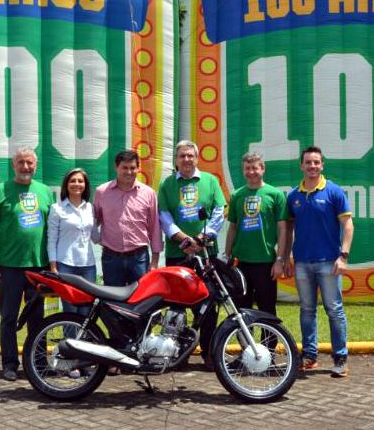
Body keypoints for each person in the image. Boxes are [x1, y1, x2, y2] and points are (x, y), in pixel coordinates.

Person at [0, 147, 55, 382]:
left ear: (36, 165)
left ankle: (38, 363)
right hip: (10, 267)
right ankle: (9, 364)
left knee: (37, 319)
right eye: (21, 162)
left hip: (38, 266)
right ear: (13, 165)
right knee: (8, 318)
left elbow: (53, 229)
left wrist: (53, 263)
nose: (26, 167)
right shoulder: (0, 191)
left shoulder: (45, 192)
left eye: (30, 163)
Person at [284, 146, 354, 378]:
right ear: (301, 166)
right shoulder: (293, 196)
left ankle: (340, 358)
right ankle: (309, 356)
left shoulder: (334, 191)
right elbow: (288, 229)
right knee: (307, 310)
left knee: (334, 310)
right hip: (302, 263)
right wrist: (285, 257)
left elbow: (348, 225)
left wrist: (343, 256)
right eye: (308, 162)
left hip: (329, 263)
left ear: (322, 165)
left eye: (316, 162)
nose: (312, 166)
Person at [158, 140, 226, 369]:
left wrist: (200, 240)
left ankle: (209, 352)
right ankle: (177, 353)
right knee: (176, 306)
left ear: (197, 158)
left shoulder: (210, 181)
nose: (186, 159)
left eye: (190, 155)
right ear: (176, 160)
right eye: (182, 156)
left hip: (206, 253)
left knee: (208, 304)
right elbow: (164, 216)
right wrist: (184, 239)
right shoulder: (167, 184)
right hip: (177, 254)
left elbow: (219, 211)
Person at [225, 152, 287, 316]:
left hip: (265, 262)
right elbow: (232, 227)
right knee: (241, 310)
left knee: (267, 309)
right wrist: (227, 255)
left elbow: (283, 229)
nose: (251, 172)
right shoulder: (237, 195)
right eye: (247, 168)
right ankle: (245, 335)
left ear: (263, 169)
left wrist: (279, 260)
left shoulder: (275, 195)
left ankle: (268, 335)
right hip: (240, 262)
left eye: (254, 168)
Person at [93, 150, 163, 287]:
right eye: (124, 167)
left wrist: (155, 262)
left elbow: (154, 227)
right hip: (111, 258)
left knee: (141, 298)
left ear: (138, 168)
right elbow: (94, 221)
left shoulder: (148, 193)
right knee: (112, 298)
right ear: (116, 167)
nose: (129, 172)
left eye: (132, 168)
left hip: (139, 258)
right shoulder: (101, 192)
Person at [47, 168, 98, 317]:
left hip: (88, 266)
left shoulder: (90, 208)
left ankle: (83, 334)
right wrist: (53, 266)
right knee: (70, 310)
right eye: (72, 181)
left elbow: (95, 236)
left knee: (86, 310)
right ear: (66, 185)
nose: (77, 184)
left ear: (85, 185)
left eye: (80, 181)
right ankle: (68, 333)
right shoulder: (57, 208)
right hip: (65, 265)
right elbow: (51, 239)